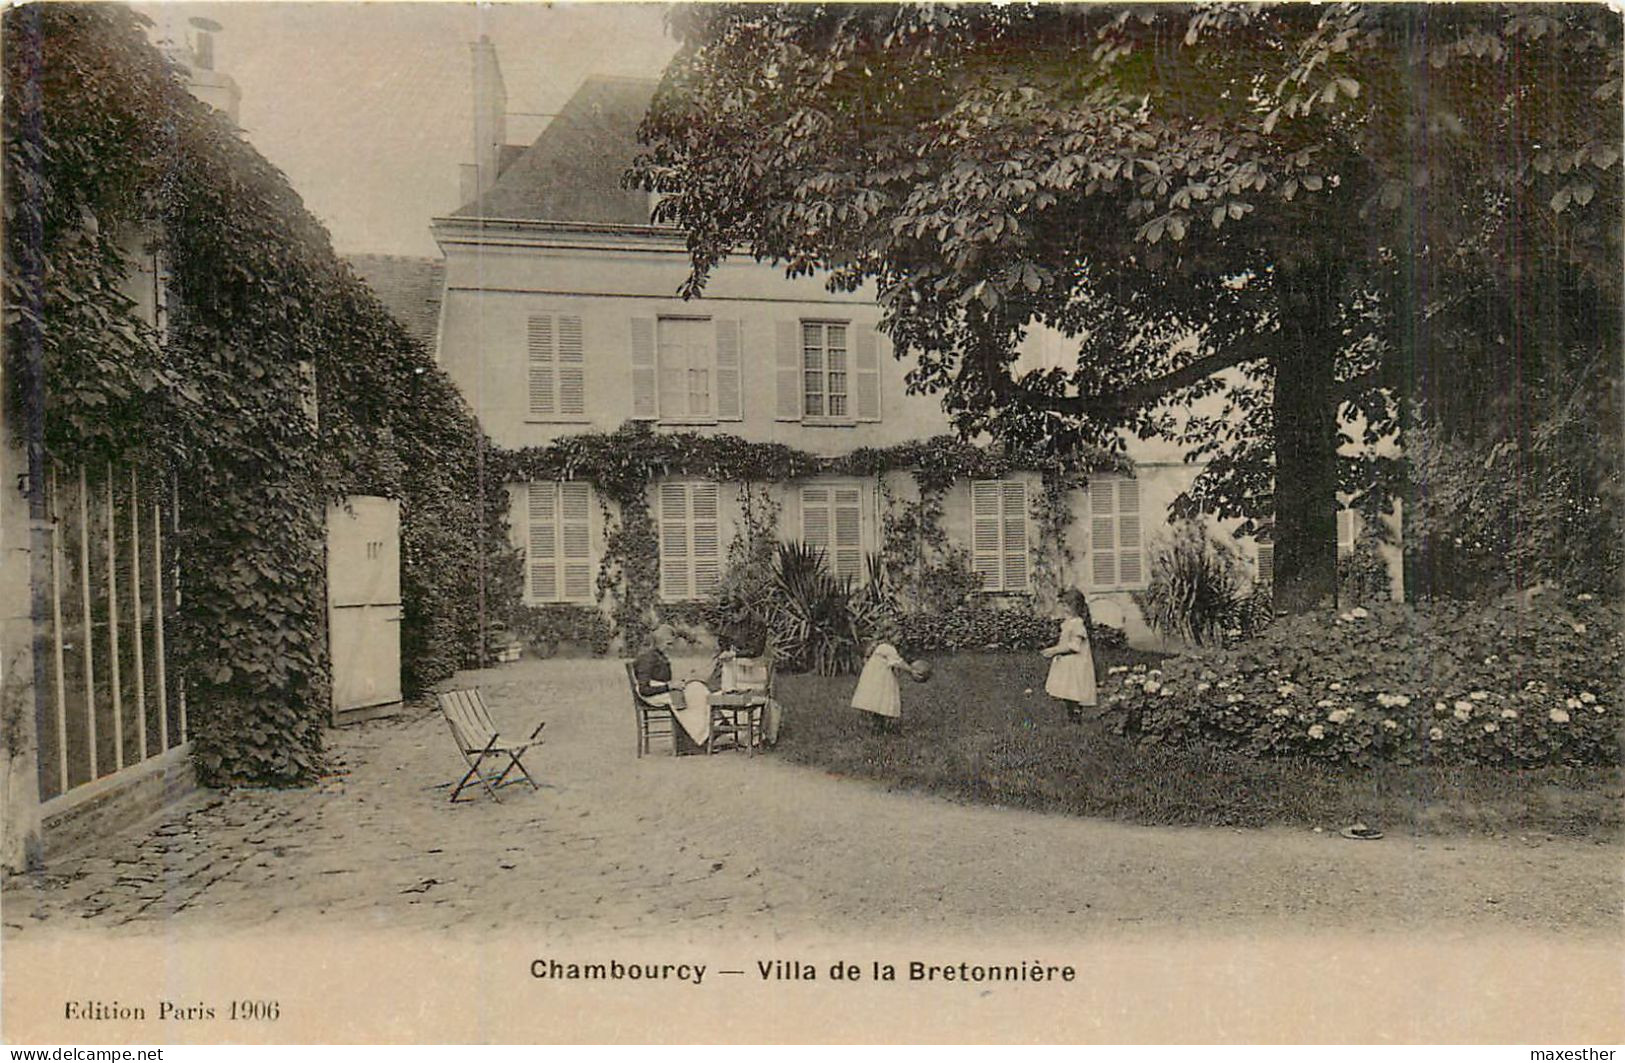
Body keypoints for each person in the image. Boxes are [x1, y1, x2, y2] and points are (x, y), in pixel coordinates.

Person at [633, 624, 711, 754]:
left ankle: (698, 737)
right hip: (651, 696)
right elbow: (644, 689)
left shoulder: (658, 655)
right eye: (668, 644)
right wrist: (669, 686)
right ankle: (693, 741)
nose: (670, 648)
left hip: (661, 690)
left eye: (671, 644)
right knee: (689, 698)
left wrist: (676, 683)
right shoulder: (647, 658)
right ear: (659, 642)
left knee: (697, 690)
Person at [1041, 588, 1098, 723]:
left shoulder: (1077, 623)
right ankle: (1071, 716)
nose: (1064, 609)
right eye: (1063, 605)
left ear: (1076, 607)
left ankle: (1076, 717)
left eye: (1067, 606)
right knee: (1067, 690)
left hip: (1075, 663)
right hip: (1067, 662)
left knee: (1074, 690)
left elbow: (1075, 646)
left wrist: (1054, 651)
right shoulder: (1069, 623)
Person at [851, 625, 911, 734]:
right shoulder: (888, 648)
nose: (901, 638)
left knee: (877, 702)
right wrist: (911, 670)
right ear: (890, 636)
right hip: (880, 679)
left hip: (874, 677)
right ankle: (878, 728)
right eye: (898, 635)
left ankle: (877, 727)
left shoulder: (880, 647)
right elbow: (898, 662)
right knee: (881, 700)